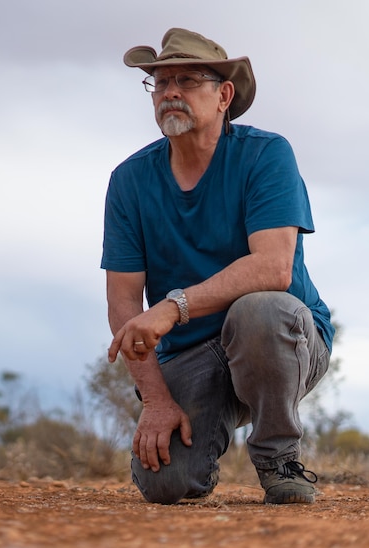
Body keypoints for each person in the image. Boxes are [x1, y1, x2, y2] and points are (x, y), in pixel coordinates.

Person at [102, 28, 334, 505]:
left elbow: (274, 269)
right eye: (160, 83)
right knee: (165, 485)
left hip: (284, 340)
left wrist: (172, 306)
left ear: (224, 95)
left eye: (186, 81)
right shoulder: (128, 181)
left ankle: (278, 459)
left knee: (260, 310)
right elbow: (124, 301)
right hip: (192, 353)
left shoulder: (267, 155)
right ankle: (202, 439)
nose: (169, 93)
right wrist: (157, 400)